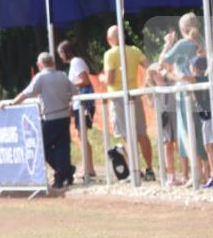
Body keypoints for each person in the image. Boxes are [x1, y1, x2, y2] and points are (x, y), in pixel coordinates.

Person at [10, 53, 77, 188]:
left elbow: (27, 92)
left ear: (40, 65)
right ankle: (65, 173)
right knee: (63, 148)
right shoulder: (63, 75)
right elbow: (75, 91)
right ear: (53, 62)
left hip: (50, 118)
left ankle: (64, 171)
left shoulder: (40, 77)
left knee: (42, 147)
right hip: (64, 117)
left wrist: (12, 103)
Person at [101, 25, 155, 181]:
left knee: (127, 136)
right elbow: (149, 66)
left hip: (118, 98)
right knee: (142, 135)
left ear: (110, 39)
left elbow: (110, 79)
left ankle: (135, 171)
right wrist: (147, 81)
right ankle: (149, 169)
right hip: (134, 95)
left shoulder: (109, 54)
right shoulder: (134, 50)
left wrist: (103, 79)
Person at [159, 13, 208, 178]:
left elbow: (162, 62)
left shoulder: (182, 43)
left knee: (187, 132)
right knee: (202, 132)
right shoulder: (203, 42)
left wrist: (168, 44)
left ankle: (196, 174)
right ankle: (206, 172)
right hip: (202, 91)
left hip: (185, 92)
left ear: (182, 29)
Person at [57, 40, 96, 180]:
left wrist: (68, 86)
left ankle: (88, 168)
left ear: (65, 52)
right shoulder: (76, 62)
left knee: (82, 136)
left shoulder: (76, 62)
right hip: (79, 104)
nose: (60, 56)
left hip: (83, 104)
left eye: (60, 53)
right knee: (82, 136)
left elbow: (85, 80)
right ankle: (88, 167)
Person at [147, 65, 182, 186]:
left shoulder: (171, 83)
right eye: (154, 73)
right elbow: (151, 104)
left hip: (175, 114)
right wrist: (156, 85)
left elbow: (178, 81)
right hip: (163, 117)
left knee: (179, 144)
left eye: (159, 71)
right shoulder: (153, 89)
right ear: (151, 77)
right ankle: (171, 175)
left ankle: (185, 173)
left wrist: (167, 74)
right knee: (167, 146)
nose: (158, 74)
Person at [187, 56, 212, 188]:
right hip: (205, 117)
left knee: (209, 147)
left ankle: (211, 176)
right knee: (208, 147)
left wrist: (170, 73)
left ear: (196, 68)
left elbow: (188, 78)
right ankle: (209, 175)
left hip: (208, 117)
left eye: (192, 66)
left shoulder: (202, 78)